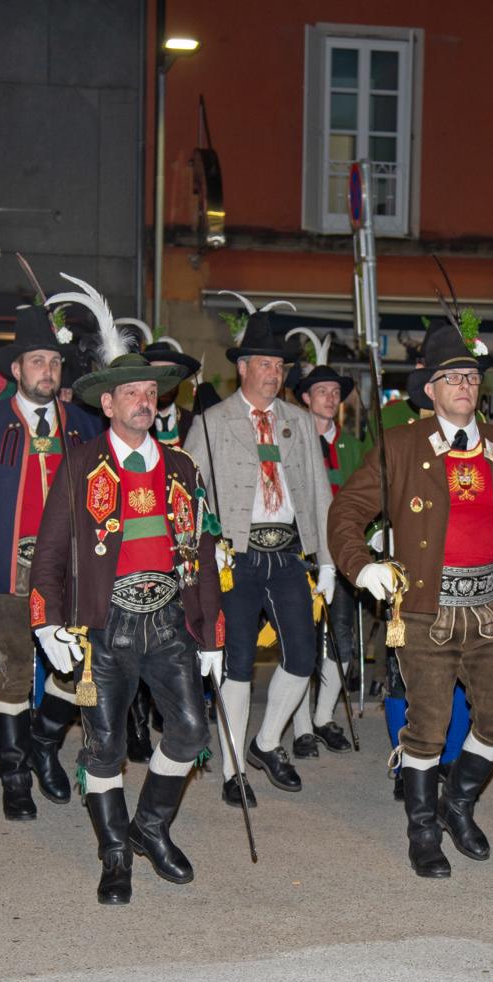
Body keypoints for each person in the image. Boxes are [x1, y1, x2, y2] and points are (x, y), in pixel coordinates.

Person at [327, 320, 493, 878]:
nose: (464, 386)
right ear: (430, 389)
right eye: (452, 378)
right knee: (427, 726)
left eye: (471, 377)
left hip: (492, 607)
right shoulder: (399, 447)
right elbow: (346, 513)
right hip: (425, 610)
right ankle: (423, 830)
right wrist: (363, 565)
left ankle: (458, 805)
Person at [28, 353, 222, 905]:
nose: (145, 400)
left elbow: (203, 553)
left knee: (190, 730)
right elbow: (48, 556)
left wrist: (213, 634)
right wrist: (47, 624)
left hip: (168, 621)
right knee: (105, 744)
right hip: (104, 624)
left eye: (150, 391)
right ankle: (114, 851)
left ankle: (151, 826)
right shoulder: (79, 465)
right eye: (131, 392)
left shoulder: (183, 466)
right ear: (108, 404)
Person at [0, 304, 103, 819]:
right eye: (37, 361)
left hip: (70, 574)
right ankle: (13, 775)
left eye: (54, 361)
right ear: (16, 370)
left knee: (75, 670)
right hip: (5, 568)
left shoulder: (83, 424)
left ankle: (44, 745)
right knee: (9, 672)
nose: (47, 370)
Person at [184, 310, 334, 806]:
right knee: (239, 666)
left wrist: (329, 561)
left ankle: (266, 744)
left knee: (303, 656)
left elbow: (318, 493)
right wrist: (198, 562)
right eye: (265, 364)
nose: (274, 374)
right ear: (244, 367)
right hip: (236, 558)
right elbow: (189, 498)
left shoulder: (298, 421)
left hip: (289, 553)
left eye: (280, 367)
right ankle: (232, 771)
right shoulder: (210, 424)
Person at [287, 358, 362, 757]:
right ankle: (300, 728)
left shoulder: (352, 445)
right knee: (299, 640)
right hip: (300, 552)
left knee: (341, 638)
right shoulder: (292, 440)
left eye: (336, 392)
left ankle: (323, 717)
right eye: (322, 391)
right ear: (305, 398)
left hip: (343, 552)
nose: (331, 398)